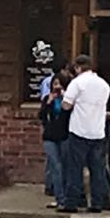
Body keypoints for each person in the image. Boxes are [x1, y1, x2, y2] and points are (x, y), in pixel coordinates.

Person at [59, 55, 110, 213]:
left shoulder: (77, 83)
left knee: (75, 169)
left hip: (79, 130)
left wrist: (63, 97)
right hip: (98, 131)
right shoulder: (104, 84)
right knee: (97, 170)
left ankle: (71, 203)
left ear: (77, 68)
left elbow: (66, 106)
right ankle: (97, 203)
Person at [39, 67, 71, 205]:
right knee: (55, 166)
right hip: (50, 137)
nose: (56, 87)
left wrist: (64, 98)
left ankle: (66, 195)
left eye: (59, 84)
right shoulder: (47, 98)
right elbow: (41, 116)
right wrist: (48, 102)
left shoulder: (68, 99)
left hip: (64, 135)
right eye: (54, 84)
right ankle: (60, 198)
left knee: (65, 166)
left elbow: (69, 114)